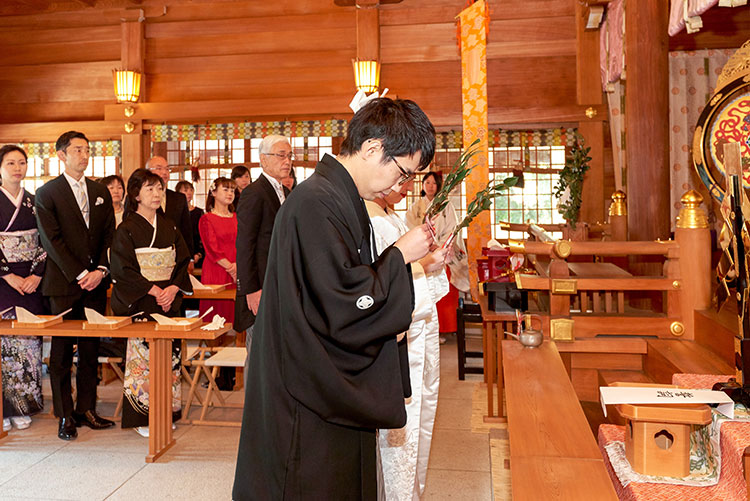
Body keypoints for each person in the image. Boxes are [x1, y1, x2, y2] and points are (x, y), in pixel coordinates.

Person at [232, 98, 439, 500]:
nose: (404, 187)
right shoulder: (314, 202)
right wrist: (399, 256)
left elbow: (346, 282)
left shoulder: (337, 197)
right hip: (304, 390)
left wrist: (396, 266)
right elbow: (342, 300)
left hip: (319, 376)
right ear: (373, 148)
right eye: (403, 173)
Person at [365, 182, 449, 501]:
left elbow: (406, 266)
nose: (408, 186)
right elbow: (383, 276)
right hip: (400, 332)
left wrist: (432, 260)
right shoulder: (371, 217)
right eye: (404, 177)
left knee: (419, 418)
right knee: (399, 428)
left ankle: (410, 492)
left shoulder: (391, 213)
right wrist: (425, 263)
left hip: (417, 329)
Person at [35, 131, 116, 441]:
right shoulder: (47, 193)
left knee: (90, 349)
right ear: (61, 155)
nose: (84, 155)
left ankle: (86, 409)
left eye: (87, 149)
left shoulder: (99, 191)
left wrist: (101, 270)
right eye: (78, 150)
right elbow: (50, 240)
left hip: (95, 283)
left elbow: (110, 233)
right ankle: (65, 414)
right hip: (64, 283)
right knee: (61, 353)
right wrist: (81, 272)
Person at [110, 168, 192, 438]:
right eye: (149, 189)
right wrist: (156, 290)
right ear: (135, 195)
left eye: (159, 188)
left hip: (168, 297)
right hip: (143, 300)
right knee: (142, 360)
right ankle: (142, 415)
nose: (157, 193)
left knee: (171, 359)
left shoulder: (169, 225)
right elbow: (123, 269)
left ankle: (166, 411)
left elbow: (181, 260)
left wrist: (172, 288)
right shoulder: (127, 228)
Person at [0, 145, 46, 432]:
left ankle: (25, 403)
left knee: (28, 342)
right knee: (4, 342)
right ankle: (4, 406)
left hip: (31, 280)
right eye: (11, 163)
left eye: (22, 163)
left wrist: (37, 275)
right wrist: (6, 274)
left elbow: (45, 240)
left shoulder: (34, 201)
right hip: (3, 280)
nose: (18, 168)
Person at [234, 135, 291, 335]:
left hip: (283, 284)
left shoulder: (286, 191)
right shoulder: (254, 192)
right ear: (264, 159)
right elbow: (245, 244)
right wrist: (250, 289)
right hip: (260, 286)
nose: (287, 161)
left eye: (290, 156)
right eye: (281, 155)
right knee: (260, 354)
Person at [406, 171, 470, 341]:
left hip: (442, 254)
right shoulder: (416, 206)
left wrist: (440, 246)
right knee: (426, 294)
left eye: (434, 183)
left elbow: (453, 228)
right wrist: (426, 245)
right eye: (427, 183)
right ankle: (429, 331)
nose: (430, 186)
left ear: (439, 186)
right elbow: (410, 227)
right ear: (422, 185)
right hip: (423, 255)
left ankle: (447, 328)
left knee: (444, 294)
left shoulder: (446, 206)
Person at [198, 176, 237, 323]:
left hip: (236, 267)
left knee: (234, 315)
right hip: (217, 270)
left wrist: (237, 266)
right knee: (215, 315)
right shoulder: (207, 219)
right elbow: (212, 249)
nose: (230, 193)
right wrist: (231, 268)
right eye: (225, 189)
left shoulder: (236, 217)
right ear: (213, 193)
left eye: (232, 190)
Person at [145, 156, 193, 258]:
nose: (164, 172)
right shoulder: (140, 198)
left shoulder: (179, 198)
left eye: (167, 169)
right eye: (159, 168)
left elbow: (186, 230)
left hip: (175, 254)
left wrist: (190, 258)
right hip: (148, 255)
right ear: (147, 172)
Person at [175, 180, 204, 267]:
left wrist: (199, 254)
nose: (189, 193)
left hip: (197, 252)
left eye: (191, 190)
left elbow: (202, 235)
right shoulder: (175, 212)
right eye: (185, 190)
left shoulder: (198, 212)